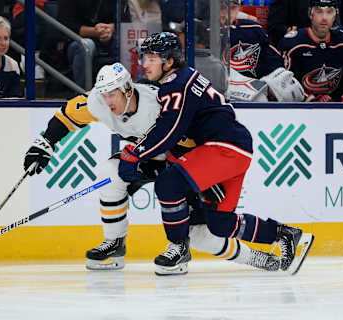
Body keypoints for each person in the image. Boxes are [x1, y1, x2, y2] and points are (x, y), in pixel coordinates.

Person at [23, 62, 281, 273]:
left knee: (203, 235)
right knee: (109, 174)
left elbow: (189, 141)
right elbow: (68, 114)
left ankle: (260, 259)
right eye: (103, 94)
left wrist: (201, 182)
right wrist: (45, 142)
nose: (107, 101)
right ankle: (115, 243)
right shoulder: (99, 103)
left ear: (127, 89)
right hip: (145, 158)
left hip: (182, 159)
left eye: (112, 94)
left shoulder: (156, 104)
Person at [118, 32, 314, 275]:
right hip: (233, 149)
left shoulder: (176, 83)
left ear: (169, 61)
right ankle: (284, 234)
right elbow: (180, 135)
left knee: (169, 184)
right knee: (220, 223)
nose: (144, 64)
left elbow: (169, 130)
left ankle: (179, 248)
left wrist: (135, 155)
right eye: (143, 58)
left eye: (151, 59)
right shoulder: (180, 79)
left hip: (224, 148)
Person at [279, 0, 343, 102]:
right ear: (310, 14)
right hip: (302, 106)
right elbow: (285, 81)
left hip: (336, 105)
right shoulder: (293, 43)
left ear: (335, 15)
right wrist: (309, 98)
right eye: (319, 12)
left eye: (329, 12)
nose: (324, 18)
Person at [220, 0, 306, 102]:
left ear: (239, 8)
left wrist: (272, 83)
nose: (227, 13)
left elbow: (275, 63)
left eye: (233, 7)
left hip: (253, 96)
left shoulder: (253, 28)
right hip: (223, 96)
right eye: (222, 7)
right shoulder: (204, 32)